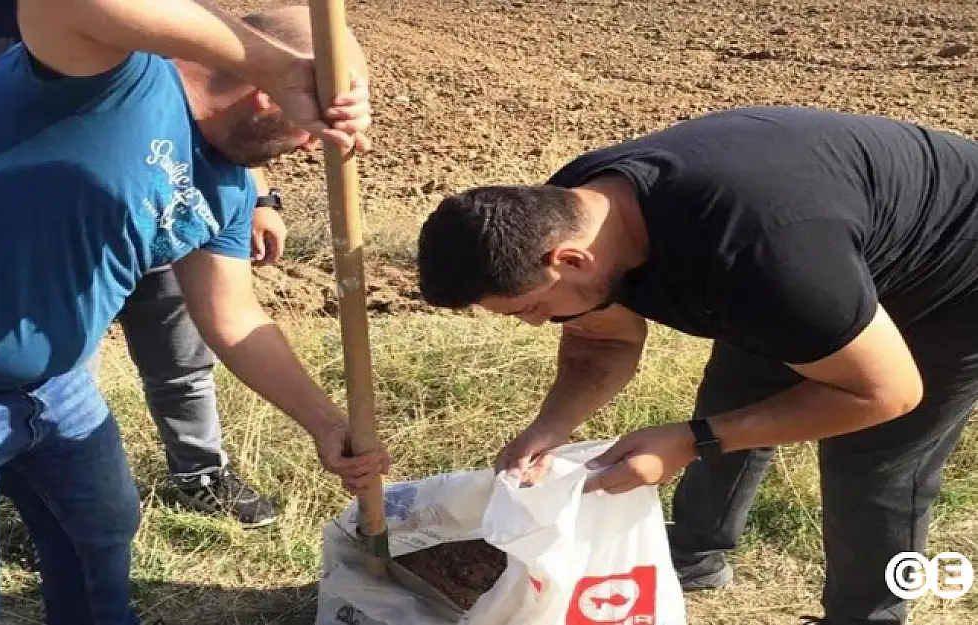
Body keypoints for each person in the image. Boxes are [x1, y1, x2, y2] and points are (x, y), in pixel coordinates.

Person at [0, 2, 388, 624]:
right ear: (264, 94)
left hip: (52, 387)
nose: (311, 145)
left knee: (99, 535)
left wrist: (326, 425)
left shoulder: (225, 184)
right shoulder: (115, 78)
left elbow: (234, 319)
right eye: (314, 121)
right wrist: (279, 64)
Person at [415, 105, 978, 625]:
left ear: (571, 259)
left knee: (876, 462)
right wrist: (549, 429)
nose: (535, 324)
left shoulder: (760, 258)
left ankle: (866, 617)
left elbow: (887, 393)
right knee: (735, 398)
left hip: (956, 271)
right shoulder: (567, 211)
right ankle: (697, 553)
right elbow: (598, 342)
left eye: (532, 309)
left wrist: (691, 441)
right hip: (819, 249)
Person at [0, 0, 286, 528]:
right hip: (40, 236)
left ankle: (201, 471)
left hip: (165, 197)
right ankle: (37, 495)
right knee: (65, 370)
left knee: (183, 359)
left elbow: (215, 88)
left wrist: (256, 198)